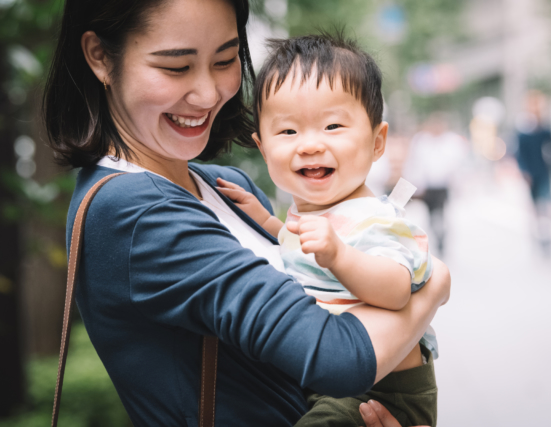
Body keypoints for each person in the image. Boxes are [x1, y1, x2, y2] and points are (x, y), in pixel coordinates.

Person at [44, 0, 451, 426]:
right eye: (176, 67)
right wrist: (432, 283)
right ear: (100, 57)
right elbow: (338, 358)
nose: (207, 93)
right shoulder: (133, 212)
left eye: (224, 60)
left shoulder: (225, 186)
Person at [216, 34, 439, 427]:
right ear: (263, 148)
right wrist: (263, 219)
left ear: (377, 141)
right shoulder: (316, 213)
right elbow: (296, 243)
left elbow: (396, 289)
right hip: (340, 378)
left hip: (385, 392)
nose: (310, 145)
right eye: (287, 132)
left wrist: (340, 256)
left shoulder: (376, 218)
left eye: (333, 126)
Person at [404, 113, 467, 255]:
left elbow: (456, 165)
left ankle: (441, 236)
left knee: (440, 214)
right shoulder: (421, 141)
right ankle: (437, 234)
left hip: (443, 186)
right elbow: (415, 164)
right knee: (431, 215)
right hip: (427, 187)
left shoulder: (451, 142)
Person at [515, 90, 551, 252]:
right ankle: (538, 235)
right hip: (531, 175)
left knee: (548, 205)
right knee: (536, 207)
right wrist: (524, 171)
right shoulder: (523, 130)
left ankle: (550, 235)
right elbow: (520, 154)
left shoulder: (544, 129)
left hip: (545, 172)